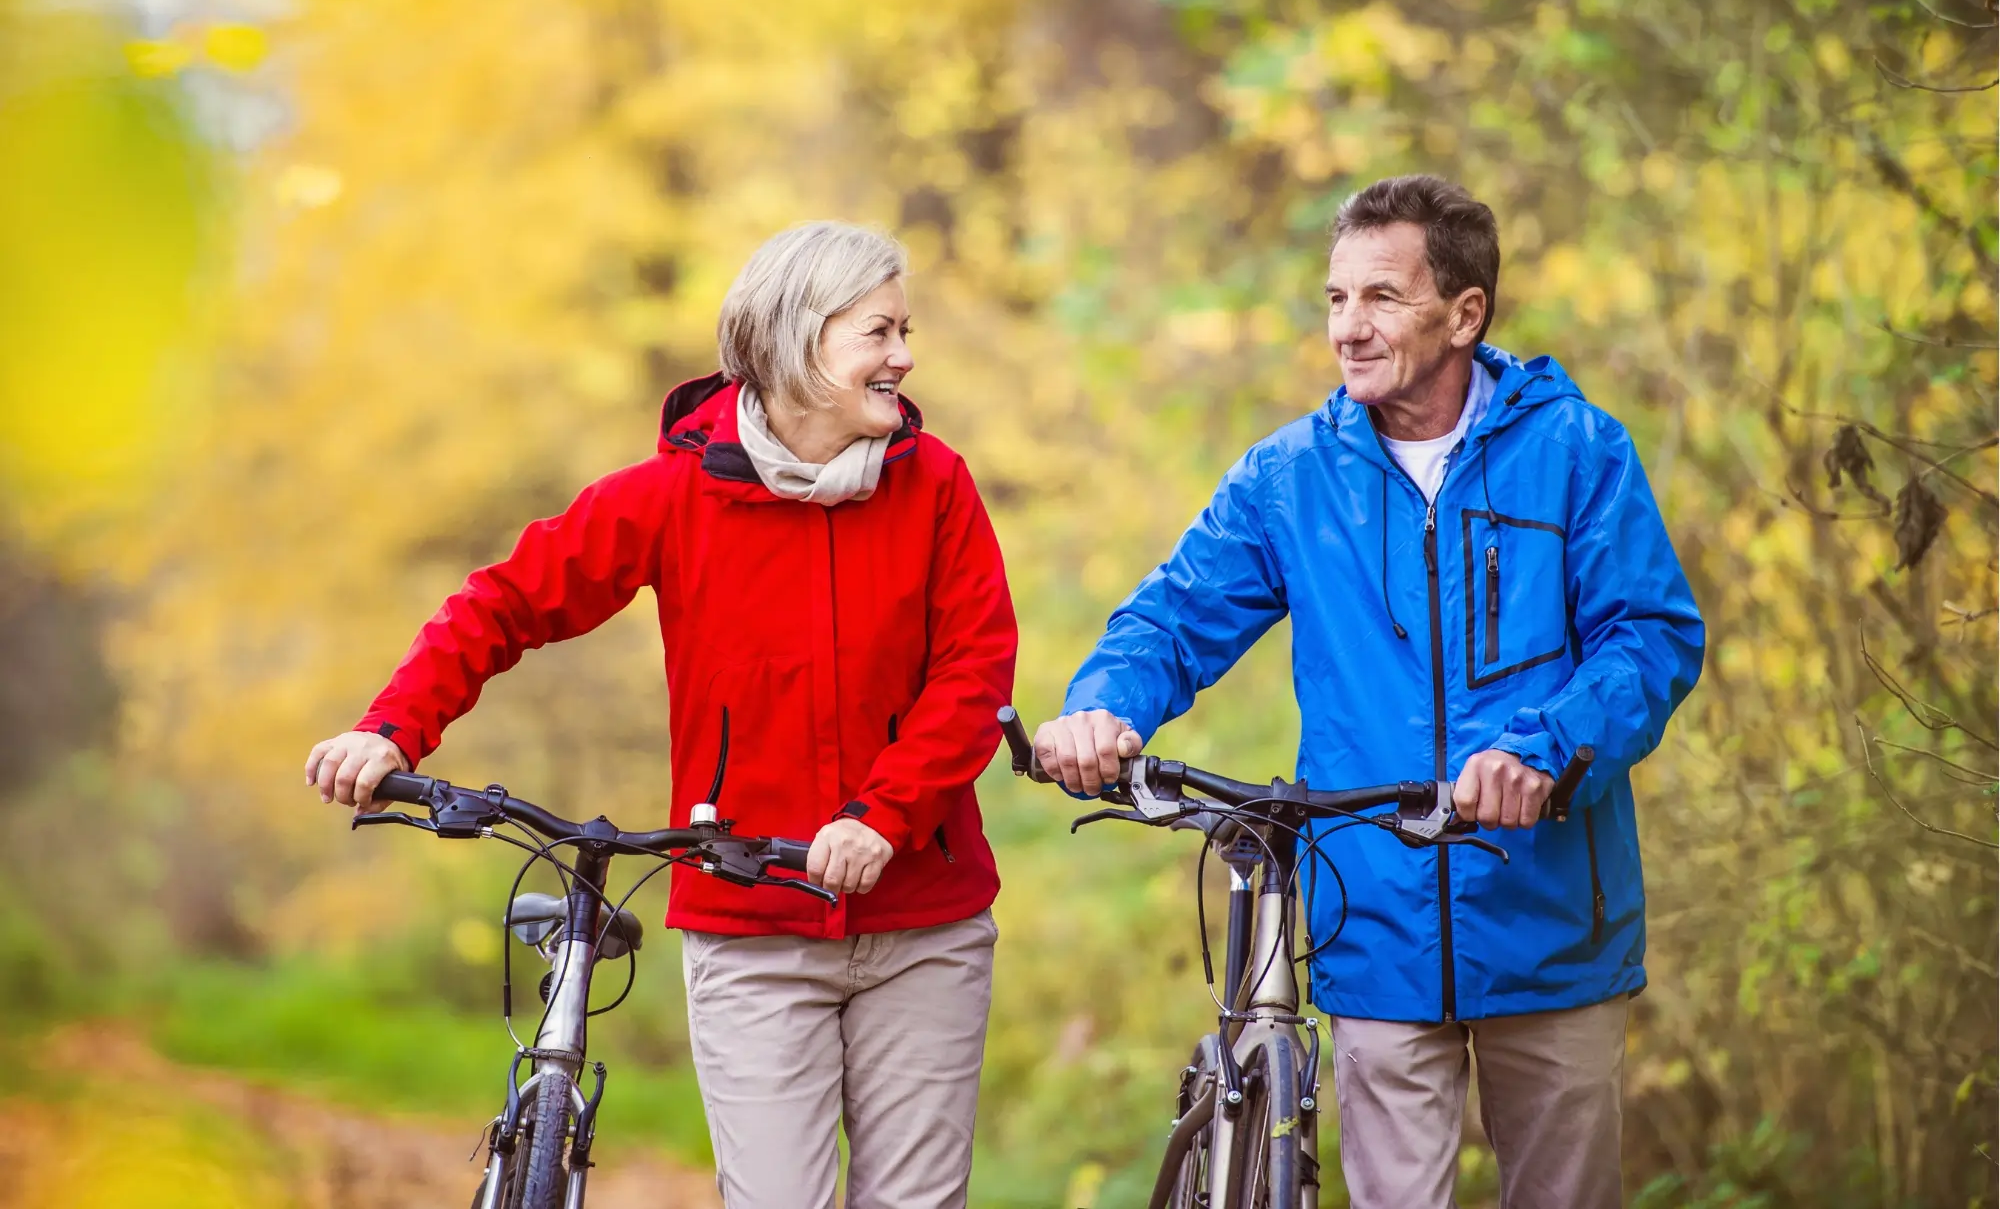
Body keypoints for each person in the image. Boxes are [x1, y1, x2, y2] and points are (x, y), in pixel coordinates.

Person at [305, 221, 1016, 1209]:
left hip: (922, 922)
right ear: (795, 339)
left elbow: (973, 673)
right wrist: (391, 728)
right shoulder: (673, 496)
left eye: (905, 330)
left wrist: (882, 814)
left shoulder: (933, 485)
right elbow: (505, 601)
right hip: (750, 925)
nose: (903, 356)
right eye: (878, 331)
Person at [1034, 175, 1704, 1209]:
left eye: (1380, 297)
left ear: (1463, 312)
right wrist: (1103, 705)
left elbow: (1648, 638)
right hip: (1373, 918)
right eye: (1335, 297)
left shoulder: (1574, 451)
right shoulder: (1289, 475)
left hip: (1552, 916)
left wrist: (1546, 745)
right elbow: (1170, 618)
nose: (1347, 327)